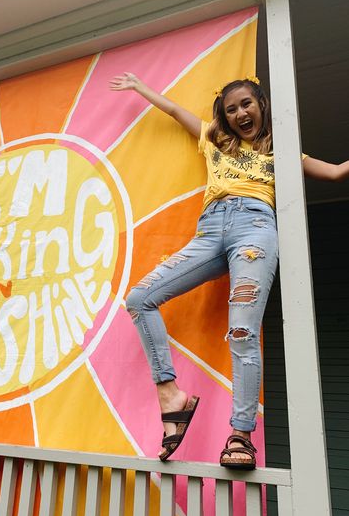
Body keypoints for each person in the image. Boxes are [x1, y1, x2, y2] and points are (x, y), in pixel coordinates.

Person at [109, 72, 349, 469]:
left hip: (254, 233)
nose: (240, 113)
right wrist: (139, 87)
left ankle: (240, 435)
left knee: (241, 331)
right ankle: (171, 395)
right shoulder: (214, 141)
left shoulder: (281, 153)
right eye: (231, 108)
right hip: (209, 232)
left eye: (246, 105)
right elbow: (171, 110)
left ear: (261, 107)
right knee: (139, 298)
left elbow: (337, 172)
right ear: (224, 117)